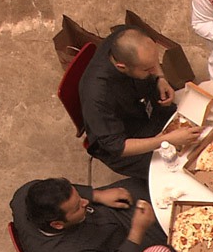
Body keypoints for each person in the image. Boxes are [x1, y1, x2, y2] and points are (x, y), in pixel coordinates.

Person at [10, 177, 165, 252]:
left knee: (146, 185)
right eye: (78, 206)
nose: (85, 202)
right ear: (57, 224)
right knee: (173, 234)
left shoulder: (25, 195)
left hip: (104, 218)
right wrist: (138, 230)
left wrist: (96, 195)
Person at [80, 26, 203, 180]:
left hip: (141, 108)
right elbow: (117, 146)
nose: (154, 69)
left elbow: (151, 61)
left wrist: (160, 77)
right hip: (126, 139)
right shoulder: (97, 96)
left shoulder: (125, 37)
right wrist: (164, 140)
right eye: (147, 69)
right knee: (181, 168)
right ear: (122, 67)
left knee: (195, 126)